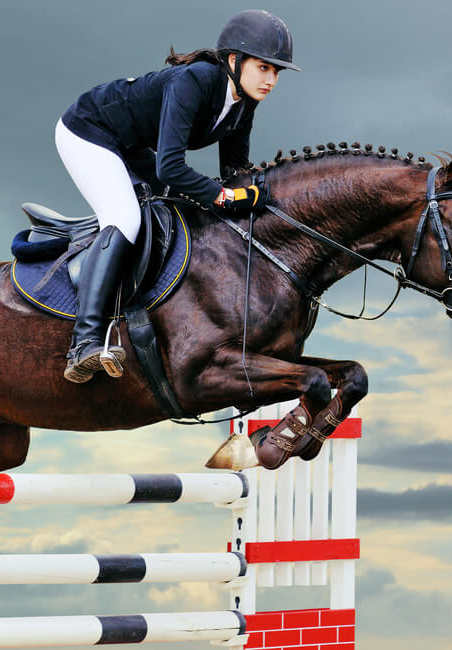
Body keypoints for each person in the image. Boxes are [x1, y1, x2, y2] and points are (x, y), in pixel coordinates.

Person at [55, 9, 299, 383]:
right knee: (125, 217)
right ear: (234, 61)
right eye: (264, 68)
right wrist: (225, 197)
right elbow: (171, 168)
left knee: (177, 208)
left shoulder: (244, 104)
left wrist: (266, 194)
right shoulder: (196, 81)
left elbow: (234, 172)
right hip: (88, 131)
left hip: (131, 145)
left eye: (277, 72)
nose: (272, 80)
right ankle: (84, 341)